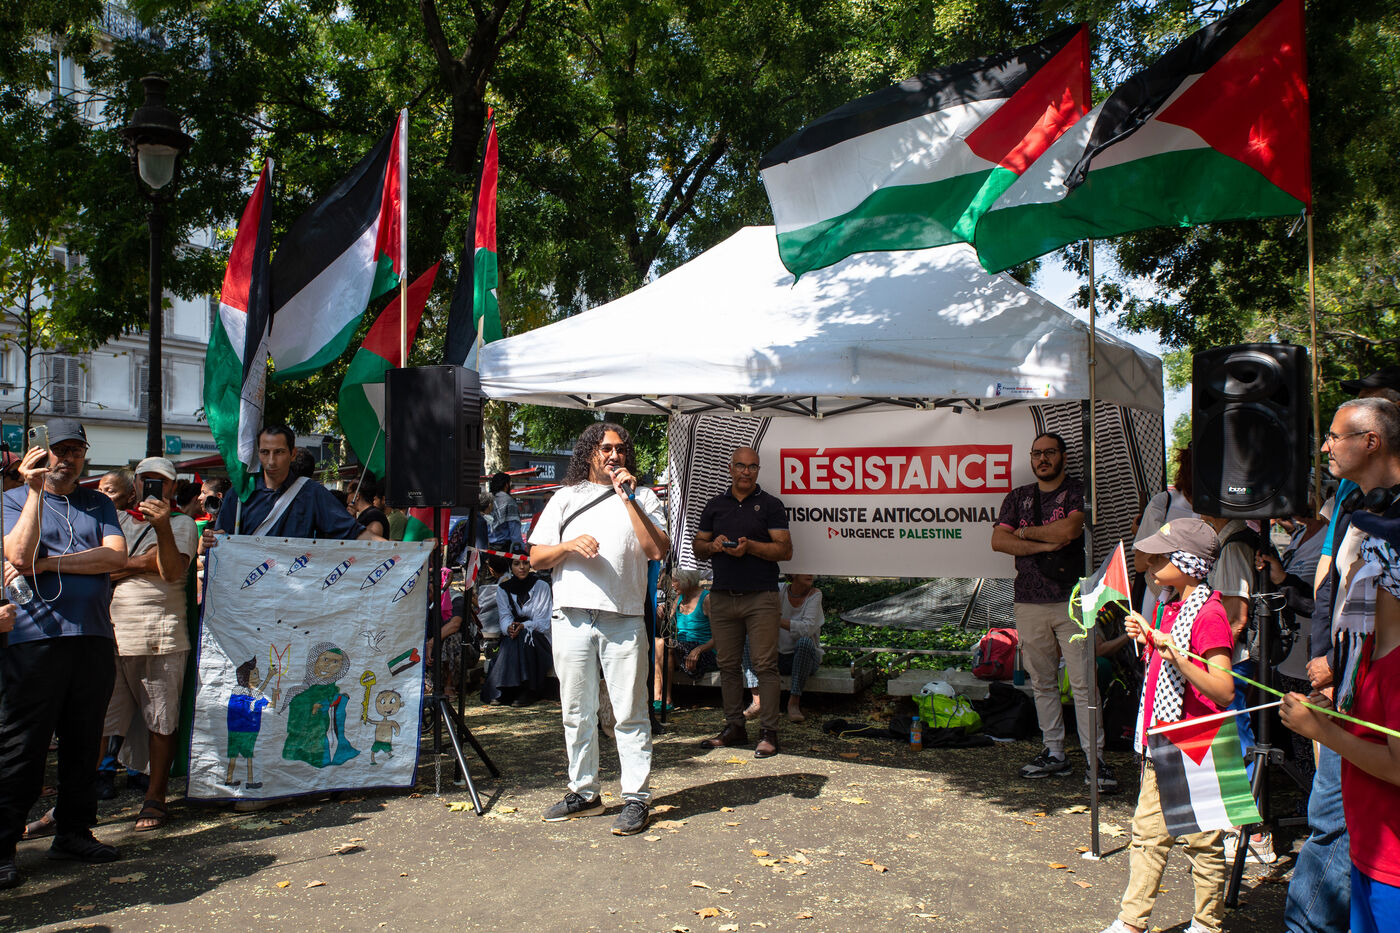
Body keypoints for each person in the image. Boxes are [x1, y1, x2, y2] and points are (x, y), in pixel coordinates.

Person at [1287, 397, 1400, 933]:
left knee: (1334, 820)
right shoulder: (1353, 500)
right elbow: (1332, 586)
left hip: (1378, 685)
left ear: (1371, 441)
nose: (1325, 447)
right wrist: (1330, 660)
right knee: (1339, 812)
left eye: (1334, 436)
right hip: (1353, 683)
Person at [0, 419, 128, 889]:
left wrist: (48, 563)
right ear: (39, 452)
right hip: (34, 639)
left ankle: (73, 832)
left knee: (83, 740)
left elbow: (115, 557)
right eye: (59, 450)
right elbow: (17, 554)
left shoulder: (98, 502)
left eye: (76, 450)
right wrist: (34, 491)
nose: (68, 459)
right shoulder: (13, 499)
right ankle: (3, 845)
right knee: (23, 745)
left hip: (93, 636)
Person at [528, 422, 669, 836]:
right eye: (605, 448)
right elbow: (536, 558)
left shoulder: (644, 497)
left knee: (629, 712)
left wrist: (629, 499)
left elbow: (656, 550)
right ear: (589, 452)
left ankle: (636, 798)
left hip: (623, 617)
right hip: (571, 617)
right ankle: (584, 793)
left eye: (620, 449)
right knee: (576, 711)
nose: (614, 455)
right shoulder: (565, 497)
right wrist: (567, 546)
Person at [1098, 518, 1236, 933]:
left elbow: (1224, 689)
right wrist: (1149, 637)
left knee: (1203, 841)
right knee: (1146, 835)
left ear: (1188, 563)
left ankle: (1207, 923)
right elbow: (1165, 661)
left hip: (1198, 742)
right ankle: (1131, 921)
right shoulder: (1169, 605)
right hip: (1161, 740)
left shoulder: (1210, 614)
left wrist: (1176, 655)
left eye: (1162, 557)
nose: (1151, 563)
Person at [991, 432, 1114, 791]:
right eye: (1036, 453)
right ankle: (1055, 751)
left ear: (1063, 456)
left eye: (1049, 452)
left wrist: (1024, 534)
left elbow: (1071, 529)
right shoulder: (1018, 497)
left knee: (1083, 683)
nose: (1042, 459)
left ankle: (1096, 760)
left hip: (1072, 600)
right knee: (1042, 682)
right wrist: (1043, 542)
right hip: (1028, 601)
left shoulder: (1077, 491)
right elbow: (999, 540)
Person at [102, 457, 198, 832]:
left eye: (162, 481)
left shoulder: (182, 524)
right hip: (112, 635)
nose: (153, 486)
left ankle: (155, 797)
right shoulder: (115, 520)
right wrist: (143, 562)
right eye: (146, 480)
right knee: (101, 721)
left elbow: (171, 570)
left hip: (161, 636)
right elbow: (100, 567)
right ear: (135, 486)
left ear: (172, 487)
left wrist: (158, 533)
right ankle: (75, 803)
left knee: (162, 720)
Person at [692, 447, 793, 759]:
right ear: (730, 468)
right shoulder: (715, 505)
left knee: (765, 665)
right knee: (727, 665)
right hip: (723, 595)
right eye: (740, 466)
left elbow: (785, 550)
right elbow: (698, 546)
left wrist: (751, 548)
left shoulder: (771, 505)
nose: (746, 472)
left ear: (758, 470)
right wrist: (713, 545)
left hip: (761, 596)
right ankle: (735, 726)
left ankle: (769, 733)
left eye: (752, 467)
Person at [202, 426, 380, 549]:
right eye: (265, 452)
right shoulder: (239, 495)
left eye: (279, 452)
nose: (271, 461)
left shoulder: (312, 493)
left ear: (292, 453)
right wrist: (212, 539)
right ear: (258, 454)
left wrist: (395, 552)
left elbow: (354, 533)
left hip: (294, 590)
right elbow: (221, 537)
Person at [742, 573, 823, 723]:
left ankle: (794, 703)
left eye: (812, 570)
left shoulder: (815, 594)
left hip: (804, 659)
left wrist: (776, 620)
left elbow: (807, 629)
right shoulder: (779, 590)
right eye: (805, 570)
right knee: (747, 639)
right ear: (793, 573)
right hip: (776, 656)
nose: (810, 574)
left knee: (805, 642)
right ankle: (757, 700)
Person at [1135, 446, 1197, 619]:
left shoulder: (1219, 510)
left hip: (1197, 600)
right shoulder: (1164, 503)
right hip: (1160, 597)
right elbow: (1139, 563)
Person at [483, 557, 552, 706]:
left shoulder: (541, 587)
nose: (522, 567)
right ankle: (510, 689)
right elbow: (504, 617)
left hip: (538, 639)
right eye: (516, 564)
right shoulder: (504, 589)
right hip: (514, 636)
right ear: (511, 567)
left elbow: (543, 623)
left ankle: (525, 689)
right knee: (513, 639)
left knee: (523, 636)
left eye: (525, 563)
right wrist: (509, 627)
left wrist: (523, 626)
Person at [653, 568, 716, 712]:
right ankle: (658, 696)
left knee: (662, 644)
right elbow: (665, 629)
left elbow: (719, 637)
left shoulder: (707, 599)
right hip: (680, 649)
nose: (672, 585)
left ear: (687, 580)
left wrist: (698, 650)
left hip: (702, 652)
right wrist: (660, 615)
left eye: (675, 581)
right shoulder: (679, 598)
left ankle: (666, 698)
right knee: (658, 643)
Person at [487, 472, 523, 552]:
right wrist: (519, 550)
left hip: (486, 547)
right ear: (506, 485)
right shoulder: (508, 501)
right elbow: (514, 529)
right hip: (504, 548)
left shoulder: (488, 500)